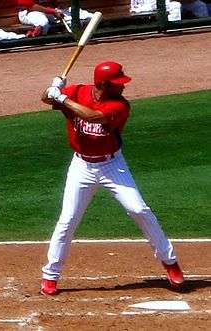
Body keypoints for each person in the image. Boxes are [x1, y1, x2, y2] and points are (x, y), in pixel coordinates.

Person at [40, 61, 185, 295]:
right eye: (118, 84)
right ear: (103, 84)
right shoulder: (77, 91)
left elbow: (94, 117)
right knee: (67, 220)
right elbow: (45, 99)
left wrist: (62, 98)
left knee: (139, 210)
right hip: (81, 166)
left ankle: (170, 263)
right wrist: (52, 90)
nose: (123, 87)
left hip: (112, 165)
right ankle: (50, 275)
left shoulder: (120, 105)